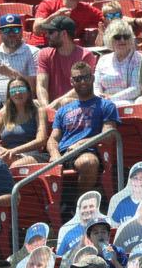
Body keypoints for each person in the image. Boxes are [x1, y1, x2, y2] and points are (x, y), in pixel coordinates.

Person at [47, 62, 118, 196]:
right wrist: (54, 154)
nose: (83, 81)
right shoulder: (63, 110)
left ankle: (77, 206)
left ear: (93, 78)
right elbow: (53, 138)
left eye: (86, 77)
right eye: (78, 79)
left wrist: (81, 143)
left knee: (88, 162)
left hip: (88, 152)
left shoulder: (106, 105)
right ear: (71, 82)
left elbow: (109, 135)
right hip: (63, 154)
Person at [29, 0, 106, 48]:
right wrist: (55, 16)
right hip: (40, 46)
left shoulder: (88, 10)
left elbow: (107, 20)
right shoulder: (48, 4)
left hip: (64, 50)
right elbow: (37, 29)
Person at [0, 76, 47, 169]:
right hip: (7, 155)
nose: (17, 92)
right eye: (13, 90)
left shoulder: (38, 112)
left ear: (29, 92)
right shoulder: (5, 115)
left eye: (21, 88)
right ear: (9, 95)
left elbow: (41, 140)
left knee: (14, 166)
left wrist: (14, 151)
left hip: (31, 155)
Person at [0, 14, 36, 109]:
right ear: (0, 33)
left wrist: (10, 73)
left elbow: (33, 87)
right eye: (6, 30)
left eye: (15, 30)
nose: (11, 34)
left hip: (20, 105)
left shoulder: (33, 52)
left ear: (21, 31)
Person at [94, 19, 142, 106]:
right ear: (110, 39)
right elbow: (96, 86)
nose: (122, 40)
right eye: (117, 37)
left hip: (127, 102)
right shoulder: (103, 59)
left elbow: (136, 89)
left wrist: (111, 98)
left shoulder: (138, 59)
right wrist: (99, 97)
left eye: (126, 36)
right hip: (103, 101)